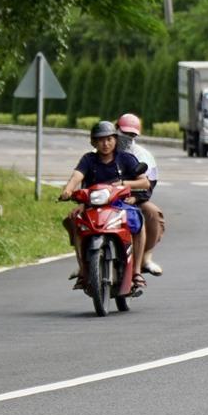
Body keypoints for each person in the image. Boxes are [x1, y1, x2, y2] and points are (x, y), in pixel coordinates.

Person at [59, 120, 151, 295]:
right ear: (93, 142)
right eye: (100, 140)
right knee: (76, 222)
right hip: (92, 206)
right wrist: (68, 189)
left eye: (109, 139)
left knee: (138, 221)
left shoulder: (125, 159)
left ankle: (137, 271)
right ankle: (83, 270)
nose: (105, 143)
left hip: (120, 205)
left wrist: (124, 183)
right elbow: (77, 176)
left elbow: (144, 182)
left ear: (115, 140)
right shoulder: (88, 159)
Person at [114, 112, 165, 276]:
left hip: (134, 198)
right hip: (104, 198)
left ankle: (145, 258)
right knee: (76, 217)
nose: (127, 138)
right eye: (124, 133)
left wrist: (136, 197)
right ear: (116, 129)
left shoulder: (142, 155)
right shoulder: (103, 149)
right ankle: (85, 264)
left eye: (132, 135)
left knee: (153, 214)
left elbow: (149, 184)